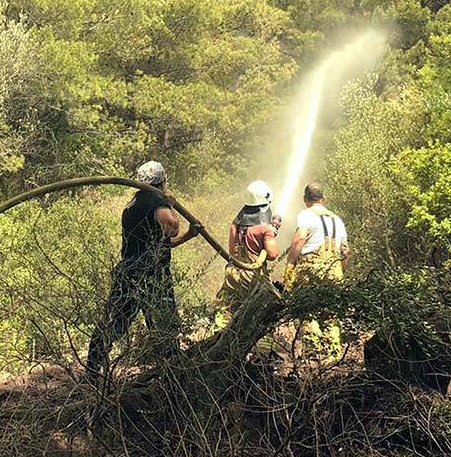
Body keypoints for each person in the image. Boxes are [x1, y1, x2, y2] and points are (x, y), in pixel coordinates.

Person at [86, 161, 201, 378]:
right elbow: (172, 228)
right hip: (152, 275)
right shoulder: (156, 200)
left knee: (114, 322)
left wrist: (191, 234)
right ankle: (172, 374)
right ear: (162, 180)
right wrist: (170, 206)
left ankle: (91, 369)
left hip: (129, 272)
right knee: (164, 326)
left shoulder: (133, 204)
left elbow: (161, 243)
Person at [285, 182, 349, 359]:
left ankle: (314, 353)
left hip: (311, 269)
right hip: (334, 270)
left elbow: (300, 240)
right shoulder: (337, 220)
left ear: (305, 200)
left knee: (306, 309)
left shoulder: (305, 215)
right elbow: (346, 251)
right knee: (331, 313)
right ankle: (333, 354)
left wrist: (290, 265)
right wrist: (340, 271)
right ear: (324, 198)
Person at [215, 180, 282, 328]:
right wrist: (271, 233)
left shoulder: (235, 224)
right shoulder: (264, 229)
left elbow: (232, 251)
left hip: (233, 274)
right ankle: (258, 349)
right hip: (252, 277)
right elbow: (272, 254)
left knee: (226, 312)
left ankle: (217, 342)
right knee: (258, 315)